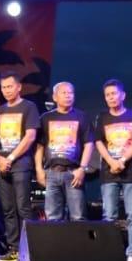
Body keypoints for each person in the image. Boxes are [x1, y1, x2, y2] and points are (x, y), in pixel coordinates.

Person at [94, 79, 132, 261]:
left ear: (123, 95)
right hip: (109, 173)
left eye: (114, 93)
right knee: (109, 215)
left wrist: (122, 160)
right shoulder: (102, 117)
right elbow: (98, 142)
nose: (111, 97)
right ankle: (110, 252)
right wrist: (111, 162)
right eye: (107, 95)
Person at [0, 71, 40, 261]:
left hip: (21, 164)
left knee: (23, 208)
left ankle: (29, 249)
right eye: (3, 87)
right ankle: (13, 248)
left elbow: (30, 137)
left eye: (10, 86)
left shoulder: (29, 107)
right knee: (8, 209)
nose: (6, 90)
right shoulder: (1, 110)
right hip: (3, 167)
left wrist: (11, 158)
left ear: (19, 87)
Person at [35, 82, 94, 221]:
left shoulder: (82, 117)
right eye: (64, 93)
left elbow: (89, 144)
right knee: (52, 218)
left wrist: (82, 169)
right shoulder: (45, 118)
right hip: (51, 173)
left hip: (73, 173)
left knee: (78, 217)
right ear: (55, 97)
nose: (68, 96)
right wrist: (39, 170)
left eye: (71, 93)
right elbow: (40, 146)